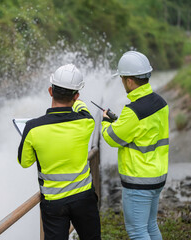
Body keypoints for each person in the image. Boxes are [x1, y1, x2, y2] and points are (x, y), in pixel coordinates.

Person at [18, 64, 101, 240]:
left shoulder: (32, 127)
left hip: (53, 203)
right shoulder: (86, 122)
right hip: (84, 199)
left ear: (50, 91)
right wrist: (77, 102)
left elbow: (25, 162)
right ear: (77, 95)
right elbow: (82, 108)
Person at [102, 51, 169, 240]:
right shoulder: (161, 102)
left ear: (130, 81)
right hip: (157, 176)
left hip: (139, 181)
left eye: (122, 78)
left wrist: (106, 122)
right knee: (150, 226)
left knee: (137, 232)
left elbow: (112, 138)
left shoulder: (133, 111)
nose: (122, 82)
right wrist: (121, 122)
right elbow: (142, 132)